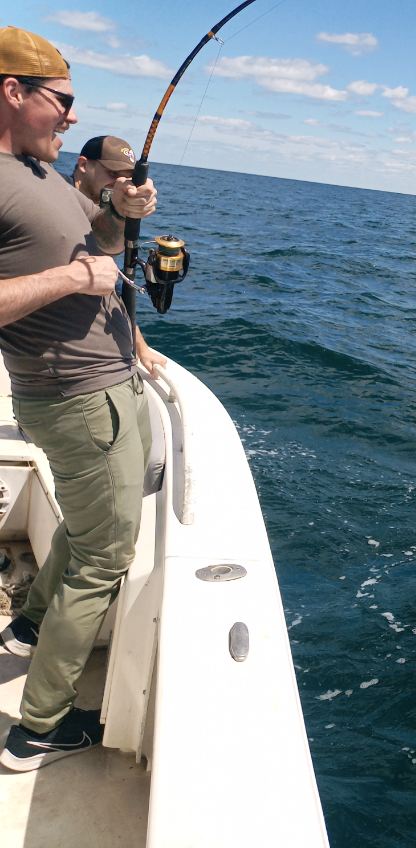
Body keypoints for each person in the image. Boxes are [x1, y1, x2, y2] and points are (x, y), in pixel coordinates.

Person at [0, 26, 159, 771]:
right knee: (106, 555)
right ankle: (39, 730)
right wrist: (70, 280)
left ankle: (29, 627)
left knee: (93, 532)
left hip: (102, 389)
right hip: (77, 397)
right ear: (13, 92)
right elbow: (73, 273)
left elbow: (93, 243)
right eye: (62, 102)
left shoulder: (38, 175)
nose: (70, 117)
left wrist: (123, 212)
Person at [71, 134, 166, 376]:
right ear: (83, 165)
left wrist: (141, 348)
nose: (120, 184)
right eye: (113, 175)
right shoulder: (60, 201)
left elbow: (111, 293)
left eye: (127, 177)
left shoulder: (105, 215)